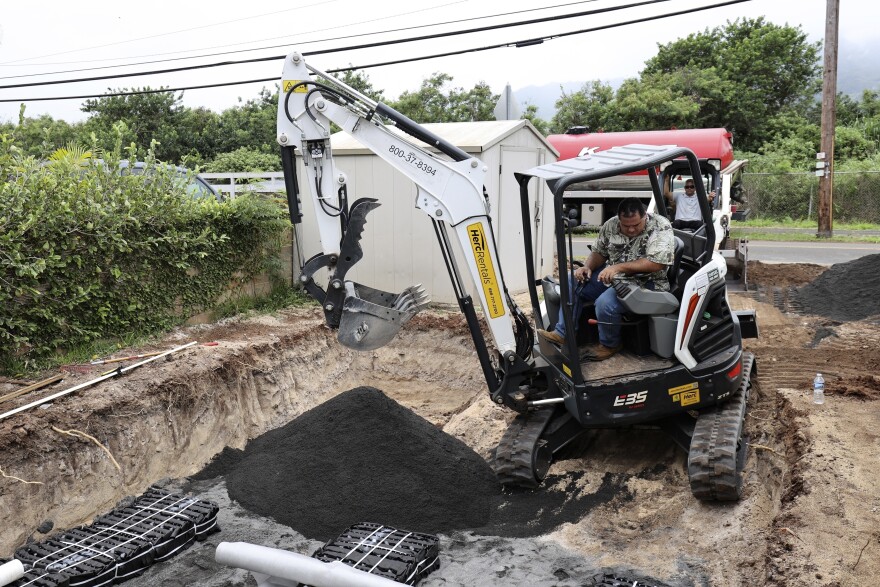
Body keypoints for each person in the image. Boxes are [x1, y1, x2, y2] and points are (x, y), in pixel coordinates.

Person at [537, 197, 675, 361]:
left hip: (647, 283)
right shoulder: (611, 225)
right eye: (626, 226)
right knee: (571, 280)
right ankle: (563, 333)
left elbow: (656, 263)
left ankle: (610, 345)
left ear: (645, 215)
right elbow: (599, 253)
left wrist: (617, 268)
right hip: (614, 278)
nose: (631, 230)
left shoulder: (660, 226)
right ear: (619, 219)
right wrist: (587, 267)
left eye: (636, 225)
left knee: (605, 303)